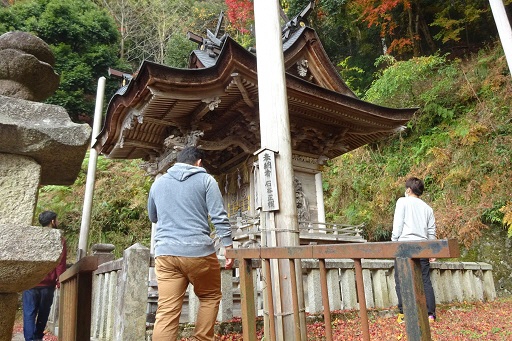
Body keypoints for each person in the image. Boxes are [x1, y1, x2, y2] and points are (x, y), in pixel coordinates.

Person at [147, 146, 234, 341]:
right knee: (209, 297)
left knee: (167, 309)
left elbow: (153, 216)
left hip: (166, 253)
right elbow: (219, 217)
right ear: (199, 162)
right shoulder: (206, 180)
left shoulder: (158, 183)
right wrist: (228, 247)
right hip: (199, 252)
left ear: (176, 161)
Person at [391, 177, 436, 324]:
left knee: (401, 280)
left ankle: (404, 313)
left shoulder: (402, 202)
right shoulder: (428, 208)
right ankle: (430, 315)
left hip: (404, 245)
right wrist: (431, 251)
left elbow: (398, 225)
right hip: (422, 247)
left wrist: (394, 242)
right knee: (424, 280)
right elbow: (431, 232)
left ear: (408, 190)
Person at [22, 211, 67, 341]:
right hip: (48, 284)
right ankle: (37, 337)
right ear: (52, 221)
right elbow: (60, 262)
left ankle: (29, 339)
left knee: (29, 313)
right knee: (43, 313)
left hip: (30, 282)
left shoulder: (32, 239)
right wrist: (60, 280)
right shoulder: (59, 240)